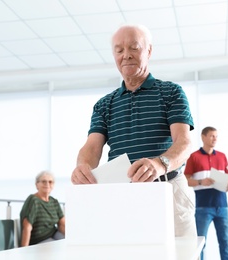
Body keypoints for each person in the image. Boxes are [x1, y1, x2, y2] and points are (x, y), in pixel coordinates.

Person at [70, 23, 196, 237]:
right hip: (122, 194)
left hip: (169, 189)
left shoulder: (172, 93)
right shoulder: (104, 104)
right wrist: (82, 167)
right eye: (119, 50)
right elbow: (92, 147)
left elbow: (183, 143)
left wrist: (159, 164)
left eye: (134, 48)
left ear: (149, 50)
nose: (126, 55)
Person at [184, 126, 228, 260]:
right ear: (203, 137)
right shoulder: (194, 157)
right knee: (200, 244)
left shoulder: (222, 156)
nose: (215, 138)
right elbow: (185, 180)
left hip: (222, 206)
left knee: (225, 243)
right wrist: (200, 182)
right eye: (211, 136)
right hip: (203, 207)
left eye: (216, 136)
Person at [19, 170, 65, 246]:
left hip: (54, 234)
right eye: (44, 181)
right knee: (58, 247)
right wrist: (24, 250)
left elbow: (62, 225)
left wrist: (72, 238)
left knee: (68, 243)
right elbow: (27, 227)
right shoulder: (33, 200)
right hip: (40, 239)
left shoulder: (54, 201)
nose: (47, 184)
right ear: (37, 184)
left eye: (50, 182)